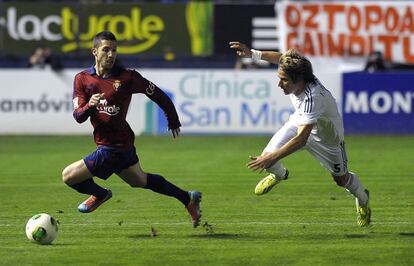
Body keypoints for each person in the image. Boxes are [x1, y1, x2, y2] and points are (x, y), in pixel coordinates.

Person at [62, 31, 202, 228]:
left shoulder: (127, 77)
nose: (111, 54)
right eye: (106, 50)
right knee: (140, 180)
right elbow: (78, 116)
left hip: (112, 149)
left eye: (114, 50)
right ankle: (188, 198)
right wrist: (89, 106)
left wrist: (173, 119)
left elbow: (158, 95)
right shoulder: (82, 79)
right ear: (94, 51)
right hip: (123, 145)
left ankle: (100, 194)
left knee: (68, 176)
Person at [229, 41, 371, 227]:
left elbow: (301, 140)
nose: (279, 84)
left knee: (341, 179)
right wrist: (252, 54)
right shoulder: (296, 68)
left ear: (299, 80)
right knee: (267, 158)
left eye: (284, 80)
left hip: (327, 140)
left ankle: (363, 199)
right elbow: (280, 58)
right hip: (300, 122)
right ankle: (280, 175)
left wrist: (272, 157)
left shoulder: (312, 98)